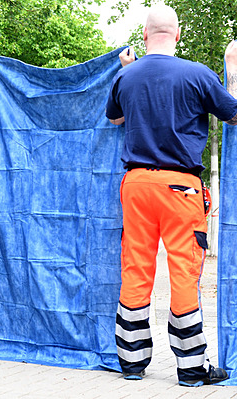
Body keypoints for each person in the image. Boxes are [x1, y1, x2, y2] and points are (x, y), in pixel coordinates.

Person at [106, 5, 237, 386]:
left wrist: (124, 68)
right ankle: (191, 368)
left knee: (135, 267)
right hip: (180, 187)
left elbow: (115, 118)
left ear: (145, 35)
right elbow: (232, 113)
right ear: (177, 36)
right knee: (183, 271)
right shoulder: (197, 74)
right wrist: (231, 69)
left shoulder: (125, 76)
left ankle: (131, 362)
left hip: (135, 185)